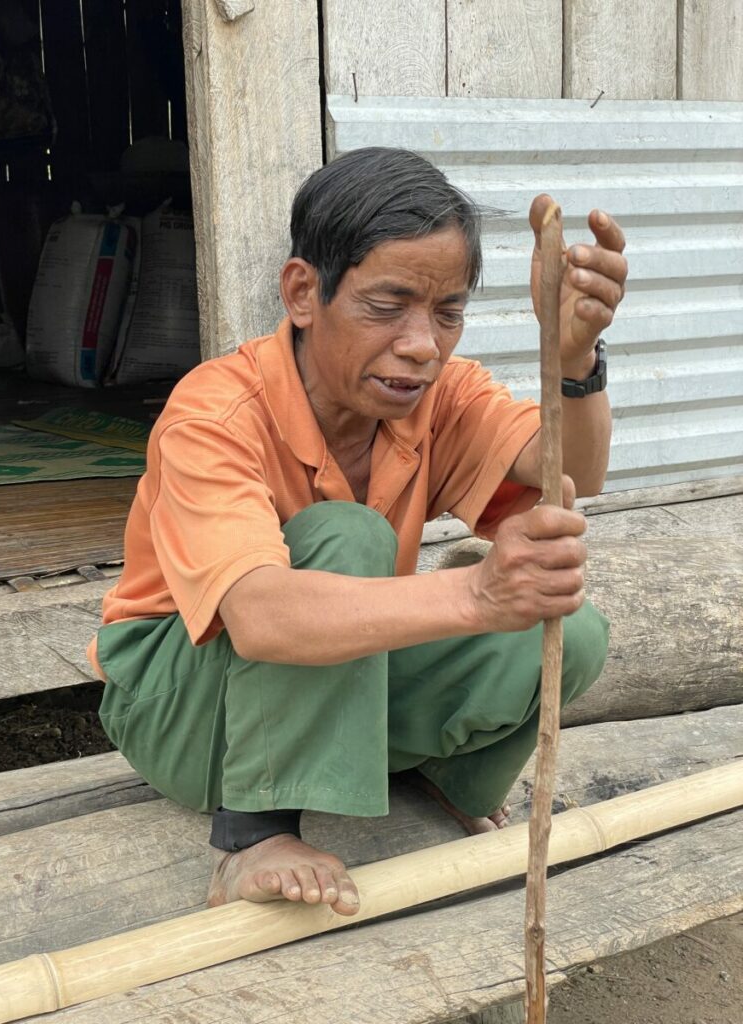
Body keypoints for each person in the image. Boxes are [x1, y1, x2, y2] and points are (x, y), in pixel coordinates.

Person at [89, 147, 627, 918]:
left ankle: (445, 780)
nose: (423, 345)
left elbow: (572, 474)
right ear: (304, 293)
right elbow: (262, 616)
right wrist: (475, 592)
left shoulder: (437, 394)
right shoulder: (213, 411)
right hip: (177, 705)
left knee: (571, 633)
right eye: (388, 305)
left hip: (327, 682)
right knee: (347, 537)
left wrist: (571, 360)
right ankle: (254, 836)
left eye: (447, 313)